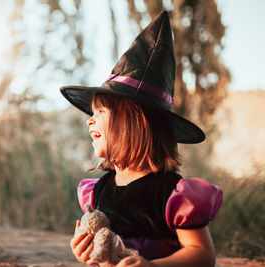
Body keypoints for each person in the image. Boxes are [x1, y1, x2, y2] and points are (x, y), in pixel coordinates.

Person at [60, 10, 223, 267]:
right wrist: (86, 252)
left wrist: (153, 266)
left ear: (135, 123)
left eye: (101, 111)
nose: (90, 120)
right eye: (92, 113)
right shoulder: (99, 192)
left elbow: (202, 254)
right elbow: (104, 251)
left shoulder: (171, 194)